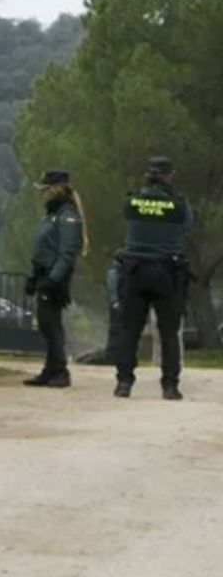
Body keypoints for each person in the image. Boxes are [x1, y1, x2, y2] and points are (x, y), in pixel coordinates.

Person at [113, 156, 194, 401]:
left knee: (129, 330)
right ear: (170, 176)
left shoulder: (132, 200)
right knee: (169, 332)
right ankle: (170, 386)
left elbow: (126, 216)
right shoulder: (179, 204)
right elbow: (188, 223)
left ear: (147, 175)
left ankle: (124, 382)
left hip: (134, 271)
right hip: (167, 272)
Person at [23, 169, 83, 388]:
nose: (43, 193)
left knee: (51, 324)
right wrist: (33, 278)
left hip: (54, 277)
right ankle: (50, 369)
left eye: (46, 189)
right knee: (46, 323)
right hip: (44, 273)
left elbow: (66, 253)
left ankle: (60, 370)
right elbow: (42, 249)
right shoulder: (52, 214)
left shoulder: (67, 216)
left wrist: (53, 280)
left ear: (57, 189)